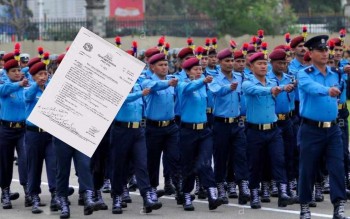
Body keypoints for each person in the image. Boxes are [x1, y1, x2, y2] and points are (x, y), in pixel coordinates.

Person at [298, 35, 349, 219]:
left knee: (337, 166)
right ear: (310, 53)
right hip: (311, 129)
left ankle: (339, 206)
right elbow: (310, 87)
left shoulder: (336, 73)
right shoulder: (304, 73)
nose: (325, 53)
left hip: (333, 128)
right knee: (307, 167)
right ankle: (304, 205)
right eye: (320, 50)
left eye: (326, 49)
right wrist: (327, 90)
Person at [242, 52, 292, 209]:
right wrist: (276, 89)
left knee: (279, 160)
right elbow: (257, 91)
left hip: (273, 129)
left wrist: (278, 87)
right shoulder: (247, 83)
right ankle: (254, 194)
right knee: (255, 163)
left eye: (265, 63)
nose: (263, 66)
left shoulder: (272, 81)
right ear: (251, 67)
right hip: (255, 131)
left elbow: (273, 91)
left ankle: (283, 192)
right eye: (259, 64)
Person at [177, 57, 223, 211]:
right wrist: (202, 81)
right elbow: (188, 89)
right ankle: (186, 195)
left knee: (204, 162)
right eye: (195, 69)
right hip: (187, 131)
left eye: (200, 69)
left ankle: (212, 195)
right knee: (188, 165)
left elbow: (218, 90)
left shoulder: (205, 85)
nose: (199, 72)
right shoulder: (182, 84)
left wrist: (229, 88)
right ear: (188, 71)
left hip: (204, 130)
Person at [110, 78, 162, 214]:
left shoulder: (139, 85)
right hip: (121, 130)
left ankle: (146, 197)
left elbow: (142, 107)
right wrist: (141, 94)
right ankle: (117, 196)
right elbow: (123, 99)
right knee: (119, 165)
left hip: (138, 130)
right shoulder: (116, 84)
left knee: (141, 164)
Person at [208, 48, 250, 205]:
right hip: (221, 123)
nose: (230, 63)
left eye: (232, 60)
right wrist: (228, 88)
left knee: (240, 155)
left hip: (237, 123)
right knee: (221, 157)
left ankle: (243, 187)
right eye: (227, 61)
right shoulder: (215, 79)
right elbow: (216, 92)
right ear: (220, 63)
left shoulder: (240, 77)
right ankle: (220, 186)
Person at [142, 53, 181, 204]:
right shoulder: (148, 82)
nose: (165, 68)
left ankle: (179, 189)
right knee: (153, 160)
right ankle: (151, 189)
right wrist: (169, 83)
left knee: (174, 158)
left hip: (171, 127)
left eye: (166, 65)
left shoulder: (171, 82)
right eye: (161, 65)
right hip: (153, 128)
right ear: (152, 67)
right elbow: (156, 86)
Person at [24, 61, 58, 214]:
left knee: (53, 165)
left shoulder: (50, 87)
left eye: (44, 74)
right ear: (33, 76)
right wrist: (36, 84)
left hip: (49, 134)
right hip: (33, 134)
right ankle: (34, 197)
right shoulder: (29, 89)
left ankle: (55, 196)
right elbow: (28, 97)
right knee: (34, 166)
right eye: (39, 75)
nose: (43, 77)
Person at [267, 49, 298, 203]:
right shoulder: (267, 79)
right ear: (271, 63)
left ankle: (288, 185)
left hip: (287, 120)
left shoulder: (289, 78)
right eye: (279, 63)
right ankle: (271, 184)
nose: (282, 66)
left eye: (284, 63)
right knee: (272, 155)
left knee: (289, 153)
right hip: (272, 121)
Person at [0, 53, 29, 209]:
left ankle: (28, 192)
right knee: (5, 162)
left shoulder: (25, 86)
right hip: (5, 130)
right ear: (6, 73)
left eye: (19, 70)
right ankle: (5, 192)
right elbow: (3, 90)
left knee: (25, 160)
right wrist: (19, 84)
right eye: (13, 71)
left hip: (22, 130)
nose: (17, 73)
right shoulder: (5, 87)